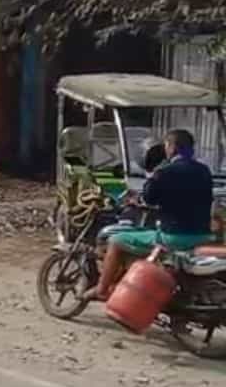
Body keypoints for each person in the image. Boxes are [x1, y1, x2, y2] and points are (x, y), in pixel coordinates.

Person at [87, 129, 216, 301]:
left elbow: (148, 196)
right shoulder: (204, 170)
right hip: (202, 235)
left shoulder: (166, 171)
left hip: (174, 237)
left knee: (116, 240)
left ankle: (101, 289)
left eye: (167, 145)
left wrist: (152, 178)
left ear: (171, 147)